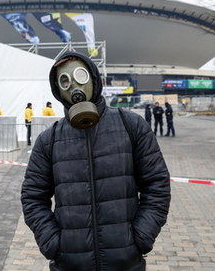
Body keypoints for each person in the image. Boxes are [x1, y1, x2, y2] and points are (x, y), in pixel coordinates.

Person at [21, 51, 170, 271]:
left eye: (80, 76)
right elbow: (32, 197)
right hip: (70, 265)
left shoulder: (131, 126)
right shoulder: (49, 140)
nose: (73, 86)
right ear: (57, 90)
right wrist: (53, 243)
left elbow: (157, 185)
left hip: (126, 263)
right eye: (64, 81)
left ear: (93, 78)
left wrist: (140, 237)